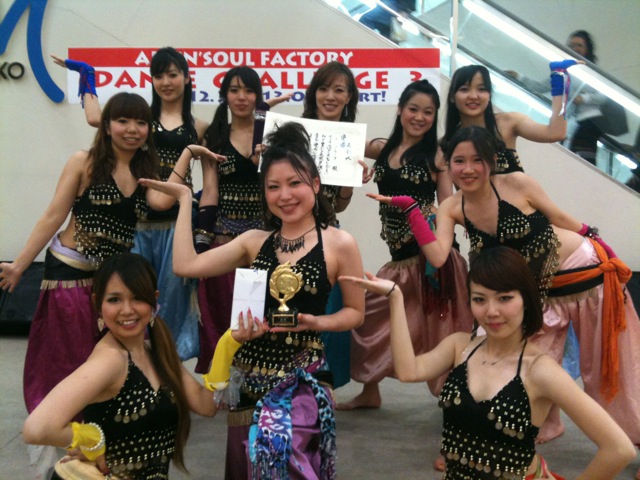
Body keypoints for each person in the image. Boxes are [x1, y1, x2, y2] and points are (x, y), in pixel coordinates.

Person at [370, 125, 640, 450]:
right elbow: (438, 256)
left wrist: (597, 241)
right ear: (448, 164)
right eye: (459, 161)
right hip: (533, 291)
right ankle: (528, 427)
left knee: (610, 368)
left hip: (582, 272)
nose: (468, 169)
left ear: (491, 161)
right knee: (508, 358)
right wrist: (413, 211)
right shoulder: (452, 206)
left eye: (477, 160)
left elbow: (559, 217)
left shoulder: (517, 183)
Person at [0, 92, 215, 477]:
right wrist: (19, 265)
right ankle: (72, 449)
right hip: (69, 275)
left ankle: (106, 440)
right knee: (72, 364)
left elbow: (162, 202)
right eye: (123, 121)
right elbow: (53, 215)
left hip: (109, 283)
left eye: (141, 122)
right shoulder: (83, 162)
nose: (132, 130)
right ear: (107, 125)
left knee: (115, 364)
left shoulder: (145, 169)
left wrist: (187, 154)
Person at [141, 121, 365, 479]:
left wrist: (317, 322)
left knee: (292, 466)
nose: (285, 195)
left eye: (294, 183)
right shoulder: (253, 241)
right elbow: (186, 265)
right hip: (249, 379)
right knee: (247, 467)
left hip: (303, 378)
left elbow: (355, 312)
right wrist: (185, 201)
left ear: (316, 184)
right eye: (273, 187)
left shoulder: (340, 243)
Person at [340, 246, 636, 478]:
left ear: (526, 299)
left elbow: (619, 449)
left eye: (504, 298)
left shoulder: (540, 370)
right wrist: (395, 298)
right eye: (480, 299)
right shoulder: (460, 346)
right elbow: (408, 370)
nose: (491, 311)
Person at [52, 47, 211, 361]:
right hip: (136, 224)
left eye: (173, 74)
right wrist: (88, 76)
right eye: (159, 75)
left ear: (186, 77)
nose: (166, 82)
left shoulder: (200, 126)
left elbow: (211, 179)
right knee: (133, 297)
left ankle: (168, 368)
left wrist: (205, 232)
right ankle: (132, 365)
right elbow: (96, 118)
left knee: (173, 301)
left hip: (175, 225)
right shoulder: (141, 119)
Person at [22, 253, 224, 479]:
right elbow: (36, 428)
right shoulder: (111, 360)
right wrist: (91, 440)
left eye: (137, 298)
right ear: (97, 304)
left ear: (154, 300)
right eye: (114, 300)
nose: (127, 310)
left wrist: (228, 345)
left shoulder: (156, 351)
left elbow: (207, 406)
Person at [338, 79, 474, 411]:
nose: (419, 117)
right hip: (398, 259)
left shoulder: (437, 156)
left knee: (443, 331)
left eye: (428, 112)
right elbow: (341, 140)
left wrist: (430, 219)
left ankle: (457, 401)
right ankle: (370, 391)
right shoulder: (382, 148)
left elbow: (449, 205)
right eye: (413, 109)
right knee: (368, 319)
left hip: (433, 261)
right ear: (400, 110)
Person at [194, 66, 291, 374]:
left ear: (258, 96)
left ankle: (263, 378)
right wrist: (201, 243)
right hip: (224, 237)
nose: (241, 97)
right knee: (223, 313)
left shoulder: (273, 135)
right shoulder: (214, 136)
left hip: (264, 239)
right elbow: (210, 190)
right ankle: (223, 380)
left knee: (263, 314)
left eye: (249, 91)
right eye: (234, 90)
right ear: (224, 95)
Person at [301, 61, 369, 389]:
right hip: (290, 234)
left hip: (329, 235)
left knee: (331, 312)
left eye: (339, 90)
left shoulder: (350, 139)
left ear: (349, 97)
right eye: (324, 88)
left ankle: (324, 386)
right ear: (313, 94)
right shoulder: (294, 134)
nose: (330, 96)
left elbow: (340, 204)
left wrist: (351, 180)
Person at [441, 64, 569, 174]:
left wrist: (560, 84)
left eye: (481, 89)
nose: (474, 96)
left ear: (489, 95)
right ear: (452, 96)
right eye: (464, 89)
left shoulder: (509, 122)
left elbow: (556, 132)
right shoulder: (447, 144)